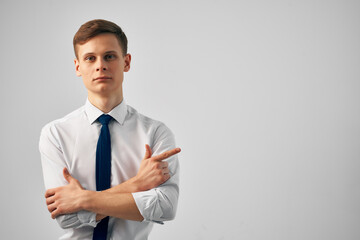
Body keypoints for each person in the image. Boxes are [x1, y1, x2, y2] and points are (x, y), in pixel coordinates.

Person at [39, 19, 181, 240]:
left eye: (109, 56)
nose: (100, 65)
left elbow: (165, 206)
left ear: (126, 62)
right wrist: (137, 184)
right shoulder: (55, 134)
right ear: (78, 67)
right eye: (90, 58)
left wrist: (82, 200)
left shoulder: (155, 133)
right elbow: (65, 217)